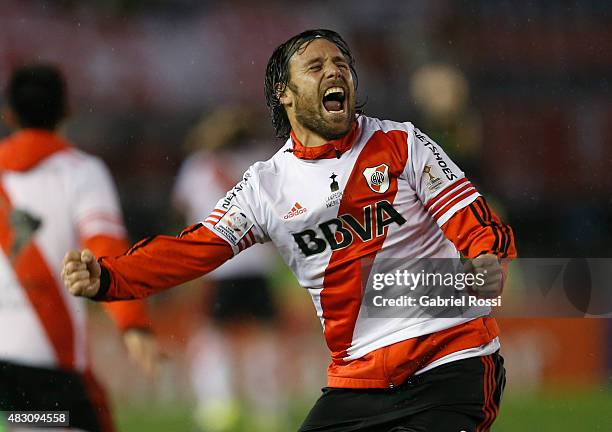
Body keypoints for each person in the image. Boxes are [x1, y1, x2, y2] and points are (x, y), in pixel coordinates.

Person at [63, 29, 517, 431]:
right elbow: (193, 249)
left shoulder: (402, 143)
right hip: (357, 381)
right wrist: (110, 277)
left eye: (341, 63)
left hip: (450, 364)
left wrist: (482, 256)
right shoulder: (265, 186)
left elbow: (468, 212)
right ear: (284, 92)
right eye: (316, 66)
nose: (334, 71)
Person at [0, 64, 158, 432]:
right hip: (50, 365)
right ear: (66, 111)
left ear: (8, 114)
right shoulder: (82, 172)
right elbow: (107, 254)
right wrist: (133, 324)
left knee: (23, 424)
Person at [173, 106, 282, 431]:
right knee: (263, 341)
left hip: (219, 265)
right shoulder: (264, 163)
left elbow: (182, 209)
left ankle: (217, 406)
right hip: (258, 264)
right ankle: (268, 409)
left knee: (212, 340)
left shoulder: (197, 167)